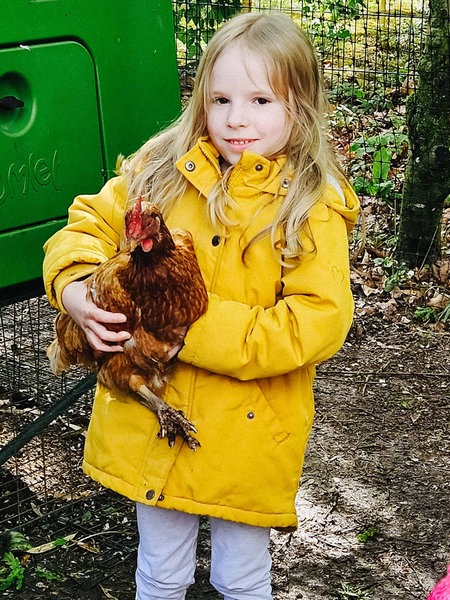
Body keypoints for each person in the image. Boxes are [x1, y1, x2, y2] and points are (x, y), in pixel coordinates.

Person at [43, 11, 359, 600]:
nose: (237, 118)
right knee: (160, 569)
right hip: (152, 417)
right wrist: (76, 287)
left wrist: (189, 328)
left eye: (262, 100)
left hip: (249, 431)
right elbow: (86, 221)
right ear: (200, 101)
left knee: (239, 576)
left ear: (301, 106)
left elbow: (316, 321)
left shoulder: (311, 206)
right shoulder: (163, 169)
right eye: (221, 99)